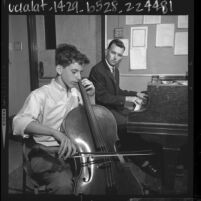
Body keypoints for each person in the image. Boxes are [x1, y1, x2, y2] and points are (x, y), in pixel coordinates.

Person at [13, 44, 95, 194]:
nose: (79, 77)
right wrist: (54, 132)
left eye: (80, 72)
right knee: (64, 185)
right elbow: (18, 122)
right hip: (43, 151)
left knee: (91, 176)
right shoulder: (40, 95)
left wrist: (91, 97)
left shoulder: (76, 94)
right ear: (59, 70)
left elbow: (91, 121)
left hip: (70, 150)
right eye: (74, 72)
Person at [89, 39, 160, 177]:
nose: (115, 57)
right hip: (103, 113)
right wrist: (127, 99)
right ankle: (141, 160)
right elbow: (102, 97)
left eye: (119, 55)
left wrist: (135, 94)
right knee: (131, 124)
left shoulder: (114, 70)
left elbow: (118, 91)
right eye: (113, 53)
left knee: (135, 121)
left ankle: (139, 156)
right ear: (107, 51)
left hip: (114, 109)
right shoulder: (97, 70)